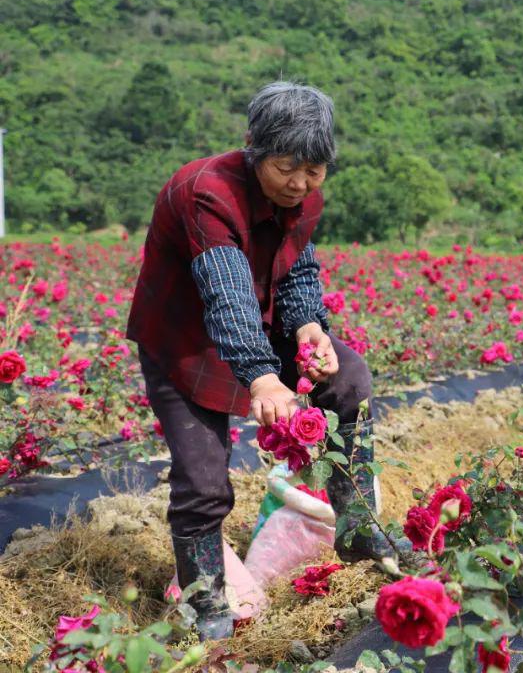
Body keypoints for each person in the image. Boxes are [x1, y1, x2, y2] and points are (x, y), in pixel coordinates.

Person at [126, 82, 398, 640]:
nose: (301, 183)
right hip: (186, 343)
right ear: (254, 148)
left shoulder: (304, 197)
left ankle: (354, 523)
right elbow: (226, 294)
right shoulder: (206, 192)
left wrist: (309, 329)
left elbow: (296, 269)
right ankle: (206, 601)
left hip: (259, 323)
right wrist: (266, 378)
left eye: (316, 170)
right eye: (287, 167)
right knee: (204, 482)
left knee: (348, 377)